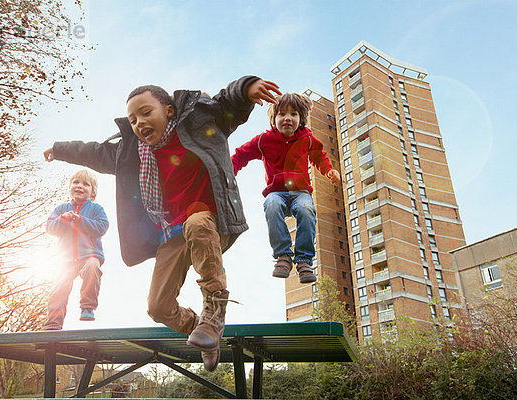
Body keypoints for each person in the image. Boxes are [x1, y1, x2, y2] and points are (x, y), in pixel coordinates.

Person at [43, 76, 280, 371]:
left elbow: (227, 104)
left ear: (168, 111)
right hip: (172, 233)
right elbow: (94, 152)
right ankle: (203, 329)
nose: (139, 122)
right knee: (157, 307)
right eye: (132, 119)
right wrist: (60, 148)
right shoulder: (131, 152)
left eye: (146, 112)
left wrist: (245, 89)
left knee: (197, 222)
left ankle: (214, 312)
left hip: (211, 220)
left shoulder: (199, 120)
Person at [231, 93, 340, 284]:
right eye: (282, 114)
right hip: (277, 192)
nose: (287, 118)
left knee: (307, 211)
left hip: (300, 193)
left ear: (301, 120)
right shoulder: (264, 140)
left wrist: (329, 170)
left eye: (294, 114)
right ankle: (283, 256)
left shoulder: (307, 139)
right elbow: (241, 154)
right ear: (274, 119)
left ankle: (304, 260)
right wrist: (229, 172)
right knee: (271, 204)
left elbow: (319, 156)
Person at [44, 169, 109, 330]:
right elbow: (50, 228)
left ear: (92, 192)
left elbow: (102, 227)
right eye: (76, 182)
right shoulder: (61, 209)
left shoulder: (96, 209)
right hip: (65, 259)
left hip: (89, 255)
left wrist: (80, 220)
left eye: (85, 184)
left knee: (93, 268)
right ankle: (53, 324)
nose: (80, 186)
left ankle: (87, 307)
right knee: (59, 288)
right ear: (70, 187)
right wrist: (63, 219)